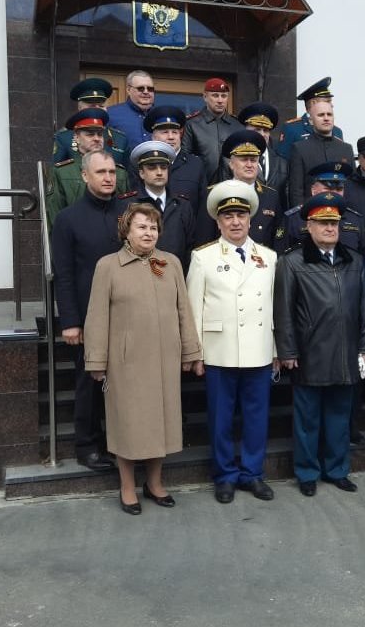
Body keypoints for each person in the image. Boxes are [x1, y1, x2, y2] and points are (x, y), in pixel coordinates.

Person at [83, 202, 203, 515]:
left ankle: (154, 483)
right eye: (141, 227)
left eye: (153, 227)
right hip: (126, 363)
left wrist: (190, 350)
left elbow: (184, 310)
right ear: (127, 231)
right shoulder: (108, 266)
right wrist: (96, 361)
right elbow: (97, 317)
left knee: (160, 423)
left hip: (164, 360)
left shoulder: (170, 263)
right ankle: (127, 486)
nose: (148, 233)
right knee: (128, 425)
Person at [186, 180, 278, 504]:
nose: (235, 222)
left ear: (250, 219)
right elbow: (193, 308)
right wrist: (195, 353)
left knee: (257, 418)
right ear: (218, 221)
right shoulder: (203, 257)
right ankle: (224, 475)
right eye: (228, 216)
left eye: (241, 215)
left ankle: (252, 473)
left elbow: (274, 308)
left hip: (258, 349)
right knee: (220, 419)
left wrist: (276, 350)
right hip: (219, 350)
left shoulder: (269, 257)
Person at [274, 192, 365, 497]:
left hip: (345, 354)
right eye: (323, 222)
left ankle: (337, 470)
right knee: (307, 420)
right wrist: (288, 351)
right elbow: (283, 311)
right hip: (310, 354)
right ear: (309, 226)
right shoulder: (292, 261)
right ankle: (307, 473)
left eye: (334, 223)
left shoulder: (354, 260)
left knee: (339, 418)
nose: (330, 228)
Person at [50, 149, 124, 472]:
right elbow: (64, 274)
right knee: (89, 384)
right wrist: (70, 321)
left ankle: (122, 442)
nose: (108, 178)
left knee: (124, 384)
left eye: (112, 172)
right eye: (100, 172)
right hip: (88, 316)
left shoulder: (128, 213)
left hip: (126, 315)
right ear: (84, 176)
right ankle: (87, 446)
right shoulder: (68, 219)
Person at [116, 140, 195, 271]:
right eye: (152, 167)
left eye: (163, 167)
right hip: (137, 275)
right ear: (141, 173)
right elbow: (120, 244)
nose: (159, 172)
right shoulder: (127, 205)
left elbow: (190, 247)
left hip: (175, 274)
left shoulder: (183, 205)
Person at [195, 130, 284, 246]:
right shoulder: (214, 194)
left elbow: (279, 235)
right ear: (231, 164)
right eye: (244, 160)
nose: (249, 165)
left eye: (253, 160)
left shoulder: (271, 196)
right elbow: (204, 239)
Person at [45, 108, 130, 229]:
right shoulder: (62, 172)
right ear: (76, 137)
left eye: (99, 134)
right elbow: (55, 218)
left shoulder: (120, 172)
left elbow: (127, 214)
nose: (96, 138)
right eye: (90, 134)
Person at [275, 162, 365, 257]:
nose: (334, 194)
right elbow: (281, 257)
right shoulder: (294, 219)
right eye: (328, 189)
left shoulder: (355, 219)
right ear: (313, 190)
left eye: (339, 189)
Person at [139, 104, 207, 218]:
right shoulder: (141, 164)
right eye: (165, 132)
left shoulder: (195, 164)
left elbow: (203, 209)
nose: (171, 137)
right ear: (154, 136)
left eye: (175, 132)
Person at [287, 91, 353, 207]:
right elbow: (296, 191)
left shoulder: (346, 149)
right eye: (321, 115)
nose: (326, 118)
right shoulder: (300, 149)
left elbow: (352, 187)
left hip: (340, 212)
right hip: (311, 212)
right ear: (311, 120)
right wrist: (300, 216)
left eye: (329, 114)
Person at [51, 78, 128, 166]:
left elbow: (126, 172)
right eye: (92, 106)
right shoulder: (64, 137)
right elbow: (56, 171)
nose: (97, 109)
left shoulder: (120, 139)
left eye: (101, 106)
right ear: (80, 108)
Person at [181, 77, 243, 182]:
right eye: (215, 95)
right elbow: (184, 159)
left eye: (224, 96)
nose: (220, 100)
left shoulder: (237, 125)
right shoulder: (192, 124)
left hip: (232, 186)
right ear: (205, 97)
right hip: (201, 185)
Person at [275, 76, 344, 161]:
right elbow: (282, 162)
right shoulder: (292, 129)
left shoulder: (337, 131)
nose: (332, 105)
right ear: (313, 103)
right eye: (327, 101)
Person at [235, 102, 289, 205]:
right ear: (246, 130)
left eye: (266, 130)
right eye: (257, 129)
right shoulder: (231, 160)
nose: (262, 134)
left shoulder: (281, 162)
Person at [106, 70, 156, 152]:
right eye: (140, 88)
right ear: (129, 90)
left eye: (150, 89)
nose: (146, 92)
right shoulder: (110, 114)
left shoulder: (161, 115)